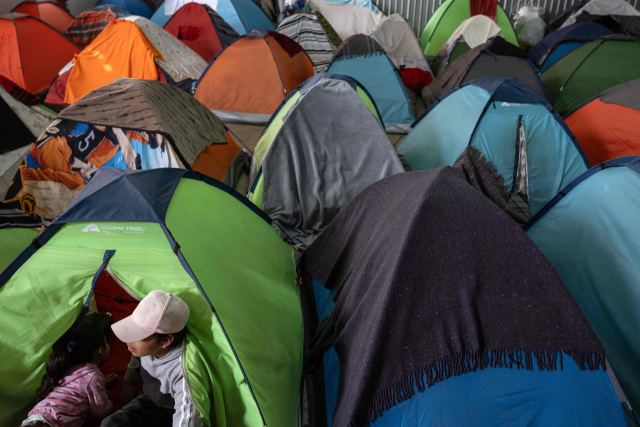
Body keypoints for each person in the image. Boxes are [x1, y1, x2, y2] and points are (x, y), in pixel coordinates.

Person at [101, 290, 202, 427]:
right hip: (152, 400)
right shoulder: (145, 348)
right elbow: (137, 356)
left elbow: (189, 420)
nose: (128, 342)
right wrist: (128, 382)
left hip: (174, 411)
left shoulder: (184, 374)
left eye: (137, 336)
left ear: (166, 341)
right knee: (110, 424)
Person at [22, 325, 116, 427]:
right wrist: (108, 400)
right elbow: (100, 411)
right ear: (101, 350)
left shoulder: (66, 365)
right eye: (106, 342)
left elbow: (78, 387)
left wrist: (102, 384)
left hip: (38, 415)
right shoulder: (93, 376)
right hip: (56, 422)